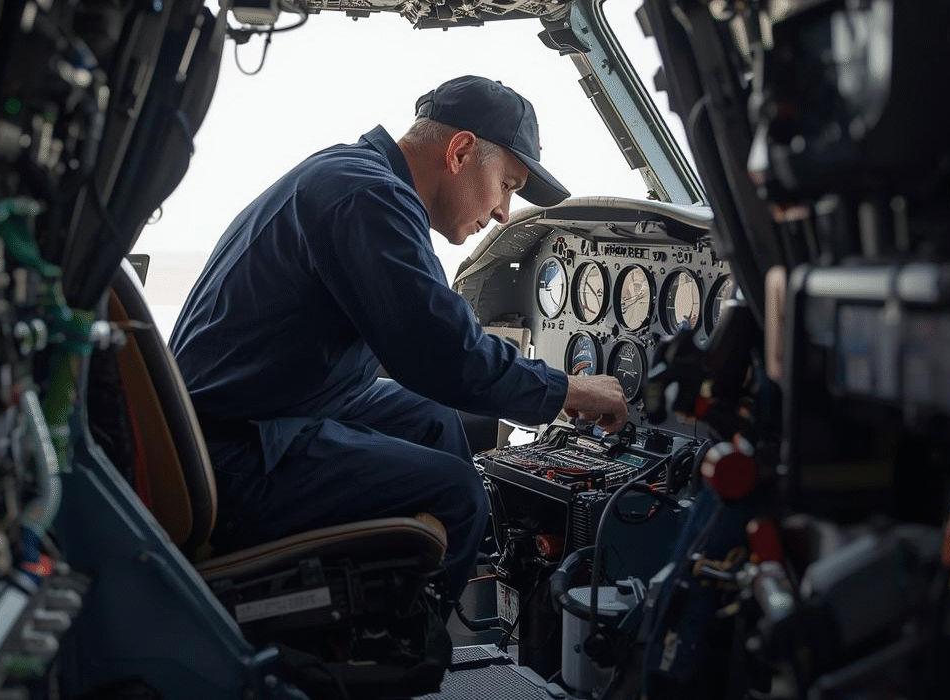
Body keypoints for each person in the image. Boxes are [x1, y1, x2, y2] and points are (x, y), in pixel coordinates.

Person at [168, 75, 627, 604]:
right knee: (457, 495)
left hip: (244, 415)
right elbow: (445, 356)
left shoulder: (350, 172)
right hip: (230, 455)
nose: (504, 211)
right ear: (460, 151)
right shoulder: (368, 197)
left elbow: (432, 346)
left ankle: (449, 593)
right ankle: (398, 658)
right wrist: (570, 390)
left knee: (430, 419)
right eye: (508, 185)